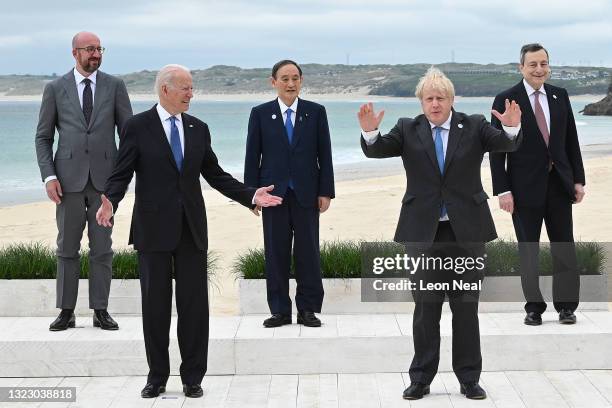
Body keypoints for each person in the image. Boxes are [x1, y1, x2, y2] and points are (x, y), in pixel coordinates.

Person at [96, 64, 282, 398]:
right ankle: (156, 377)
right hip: (152, 229)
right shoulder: (137, 127)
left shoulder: (199, 128)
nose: (190, 94)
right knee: (155, 306)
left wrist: (250, 195)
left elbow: (215, 173)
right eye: (185, 88)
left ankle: (192, 376)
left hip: (191, 229)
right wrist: (110, 199)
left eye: (192, 88)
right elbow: (121, 172)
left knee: (194, 306)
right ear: (165, 89)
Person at [359, 67, 522, 400]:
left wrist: (511, 125)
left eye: (441, 97)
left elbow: (506, 144)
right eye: (429, 98)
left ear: (452, 99)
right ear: (421, 101)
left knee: (466, 307)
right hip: (423, 231)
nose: (435, 104)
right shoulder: (408, 128)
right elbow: (378, 149)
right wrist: (371, 133)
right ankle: (421, 378)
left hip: (467, 231)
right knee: (426, 307)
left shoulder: (475, 125)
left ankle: (469, 378)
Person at [35, 31, 132, 331]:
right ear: (74, 52)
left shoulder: (115, 86)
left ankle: (100, 310)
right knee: (66, 247)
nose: (96, 54)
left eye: (99, 49)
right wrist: (49, 175)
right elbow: (43, 137)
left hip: (105, 184)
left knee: (102, 248)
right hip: (67, 183)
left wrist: (120, 182)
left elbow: (128, 135)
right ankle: (66, 311)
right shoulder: (55, 88)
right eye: (90, 49)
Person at [489, 43, 585, 326]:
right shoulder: (506, 99)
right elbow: (496, 150)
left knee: (564, 248)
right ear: (521, 67)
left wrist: (578, 180)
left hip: (559, 185)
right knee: (528, 250)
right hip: (522, 190)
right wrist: (503, 190)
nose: (539, 69)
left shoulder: (560, 95)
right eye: (533, 64)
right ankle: (534, 307)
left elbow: (570, 141)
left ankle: (567, 307)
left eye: (543, 63)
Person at [244, 60, 335, 328]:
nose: (290, 83)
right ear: (273, 82)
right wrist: (251, 195)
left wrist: (326, 191)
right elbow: (252, 156)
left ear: (301, 80)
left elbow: (325, 155)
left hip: (307, 194)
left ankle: (307, 309)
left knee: (308, 253)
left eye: (295, 78)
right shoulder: (260, 113)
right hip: (272, 195)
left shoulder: (316, 112)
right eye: (284, 79)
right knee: (276, 253)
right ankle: (280, 311)